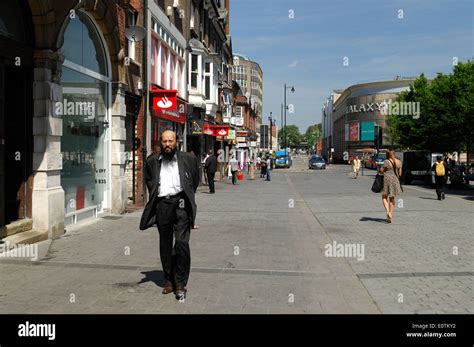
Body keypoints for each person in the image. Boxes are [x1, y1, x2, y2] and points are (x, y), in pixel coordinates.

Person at [139, 130, 200, 300]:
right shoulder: (152, 161)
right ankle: (168, 280)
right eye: (164, 141)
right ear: (160, 143)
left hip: (181, 204)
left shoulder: (188, 159)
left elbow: (194, 180)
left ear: (177, 142)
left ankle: (180, 283)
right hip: (162, 205)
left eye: (170, 141)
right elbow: (149, 180)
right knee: (165, 245)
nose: (167, 144)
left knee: (181, 244)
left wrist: (186, 196)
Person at [378, 150, 402, 223]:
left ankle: (388, 212)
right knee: (392, 199)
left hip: (387, 181)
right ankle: (390, 215)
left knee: (384, 197)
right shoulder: (399, 162)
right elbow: (400, 174)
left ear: (387, 155)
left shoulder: (386, 161)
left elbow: (381, 170)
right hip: (395, 181)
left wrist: (380, 168)